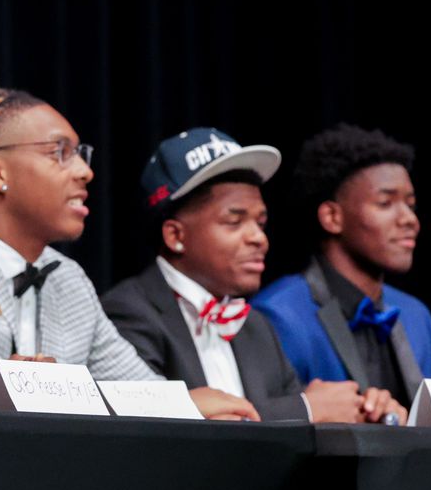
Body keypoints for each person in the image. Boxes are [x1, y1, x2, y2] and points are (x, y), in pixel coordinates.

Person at [0, 88, 257, 420]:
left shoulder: (67, 277)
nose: (86, 172)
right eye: (60, 152)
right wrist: (184, 405)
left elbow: (138, 386)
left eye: (81, 154)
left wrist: (188, 409)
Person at [102, 128, 405, 423]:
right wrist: (306, 410)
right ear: (175, 236)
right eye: (234, 222)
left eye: (260, 223)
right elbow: (149, 430)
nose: (259, 239)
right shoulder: (130, 312)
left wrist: (366, 412)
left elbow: (291, 439)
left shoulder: (255, 325)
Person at [254, 124, 431, 409]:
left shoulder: (415, 314)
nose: (409, 220)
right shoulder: (279, 315)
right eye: (385, 203)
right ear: (332, 217)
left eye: (410, 205)